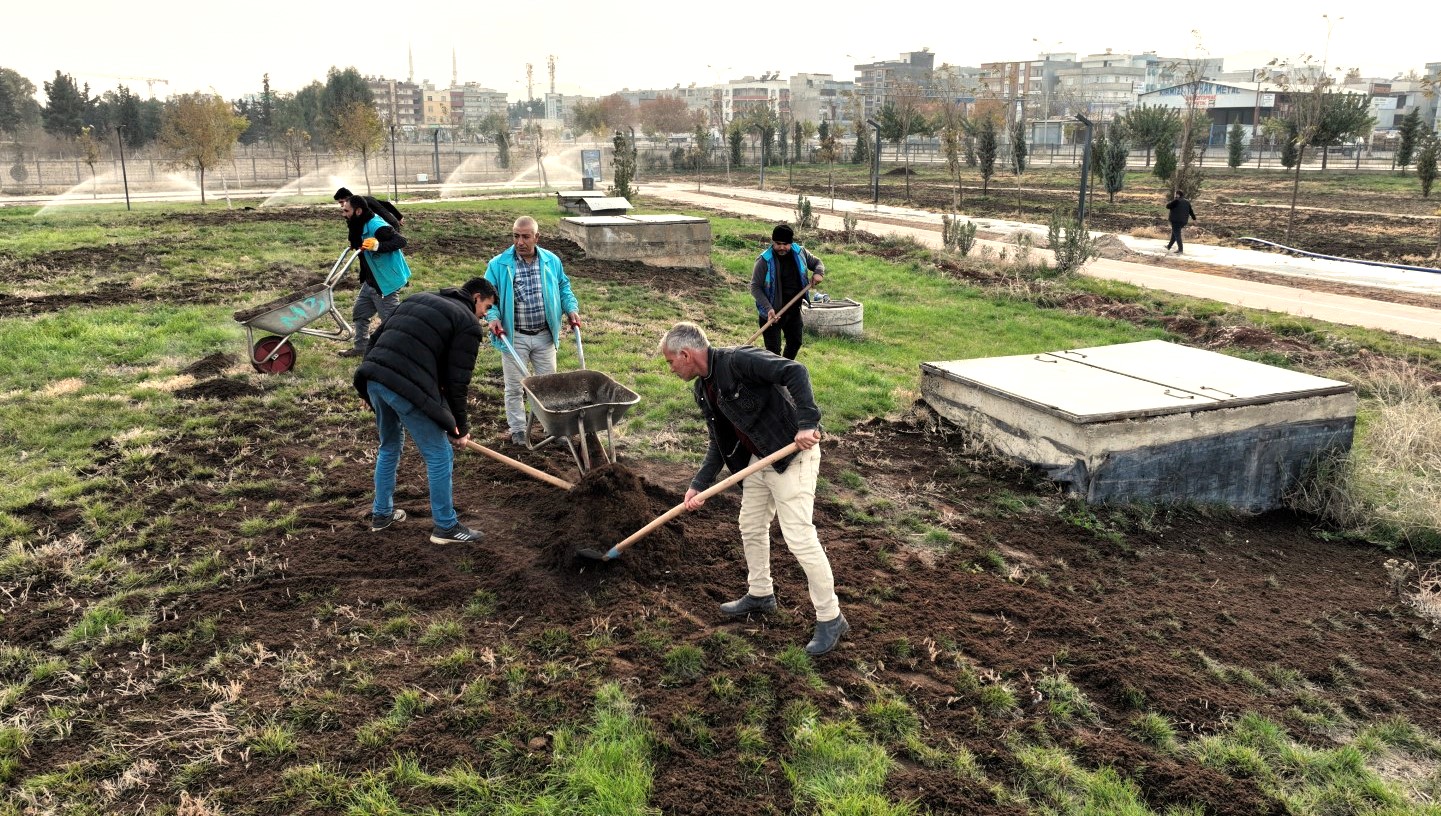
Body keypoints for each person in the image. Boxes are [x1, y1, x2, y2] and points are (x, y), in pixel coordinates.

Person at [659, 321, 848, 656]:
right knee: (750, 524)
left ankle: (830, 617)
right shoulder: (704, 389)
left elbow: (795, 371)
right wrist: (698, 485)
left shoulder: (738, 361)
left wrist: (807, 423)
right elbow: (719, 443)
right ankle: (761, 594)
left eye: (671, 362)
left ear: (685, 354)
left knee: (799, 537)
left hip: (792, 454)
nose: (670, 368)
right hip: (759, 460)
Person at [353, 277, 498, 544]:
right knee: (440, 454)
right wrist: (460, 428)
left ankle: (381, 514)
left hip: (374, 377)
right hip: (405, 387)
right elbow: (457, 382)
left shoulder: (418, 298)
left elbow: (375, 338)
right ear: (476, 297)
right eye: (487, 307)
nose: (485, 315)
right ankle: (446, 527)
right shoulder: (467, 323)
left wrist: (365, 386)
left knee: (389, 445)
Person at [483, 216, 582, 446]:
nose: (520, 242)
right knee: (515, 387)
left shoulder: (551, 261)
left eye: (526, 237)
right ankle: (518, 429)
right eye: (516, 236)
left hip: (544, 335)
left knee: (549, 388)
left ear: (537, 237)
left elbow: (563, 286)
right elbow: (488, 296)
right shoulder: (498, 264)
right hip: (513, 337)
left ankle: (555, 430)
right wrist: (493, 316)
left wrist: (571, 309)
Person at [339, 195, 412, 358]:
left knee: (391, 321)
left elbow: (401, 241)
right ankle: (361, 348)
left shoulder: (376, 225)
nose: (343, 213)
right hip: (371, 279)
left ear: (358, 211)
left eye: (346, 210)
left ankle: (401, 354)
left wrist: (377, 245)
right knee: (360, 313)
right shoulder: (357, 222)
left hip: (385, 281)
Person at [750, 223, 825, 360]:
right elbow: (755, 287)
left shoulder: (800, 252)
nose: (782, 247)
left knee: (795, 342)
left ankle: (786, 369)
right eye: (778, 244)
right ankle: (774, 378)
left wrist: (818, 272)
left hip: (793, 309)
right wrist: (768, 308)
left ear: (791, 242)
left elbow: (817, 262)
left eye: (785, 244)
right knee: (773, 352)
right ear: (773, 242)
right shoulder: (764, 260)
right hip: (772, 313)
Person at [334, 186, 402, 232]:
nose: (341, 205)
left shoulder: (358, 206)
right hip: (392, 223)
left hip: (386, 226)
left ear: (347, 198)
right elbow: (387, 204)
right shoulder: (367, 199)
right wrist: (399, 217)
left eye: (341, 202)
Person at [1165, 190, 1198, 254]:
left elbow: (1167, 206)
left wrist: (1173, 200)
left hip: (1176, 220)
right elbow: (1191, 211)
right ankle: (1169, 246)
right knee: (1174, 233)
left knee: (1177, 235)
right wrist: (1194, 219)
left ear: (1178, 195)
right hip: (1183, 221)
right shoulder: (1187, 202)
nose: (1175, 196)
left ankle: (1180, 249)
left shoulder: (1176, 200)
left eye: (1175, 194)